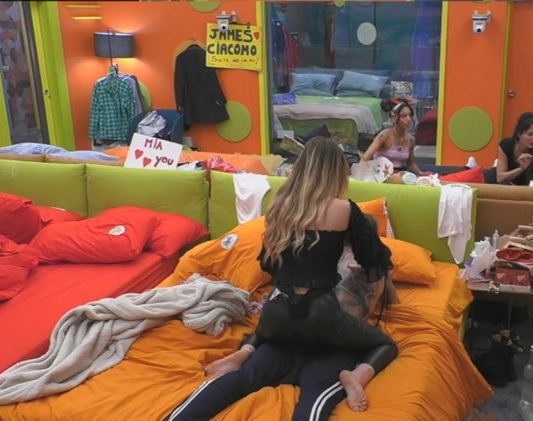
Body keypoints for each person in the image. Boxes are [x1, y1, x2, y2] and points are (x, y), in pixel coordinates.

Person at [167, 137, 398, 421]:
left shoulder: (280, 206)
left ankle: (244, 354)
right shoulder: (345, 209)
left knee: (266, 344)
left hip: (277, 314)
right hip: (322, 315)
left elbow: (268, 263)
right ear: (336, 172)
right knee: (385, 344)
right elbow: (374, 260)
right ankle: (357, 376)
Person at [362, 99, 424, 180]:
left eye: (410, 115)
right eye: (404, 116)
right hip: (380, 176)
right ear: (393, 118)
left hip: (399, 177)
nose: (408, 119)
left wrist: (423, 175)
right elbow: (364, 159)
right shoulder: (384, 136)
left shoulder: (411, 140)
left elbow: (411, 164)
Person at [495, 112, 533, 185]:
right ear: (519, 133)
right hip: (500, 184)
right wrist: (521, 168)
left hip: (525, 188)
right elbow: (500, 179)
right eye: (530, 134)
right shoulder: (506, 145)